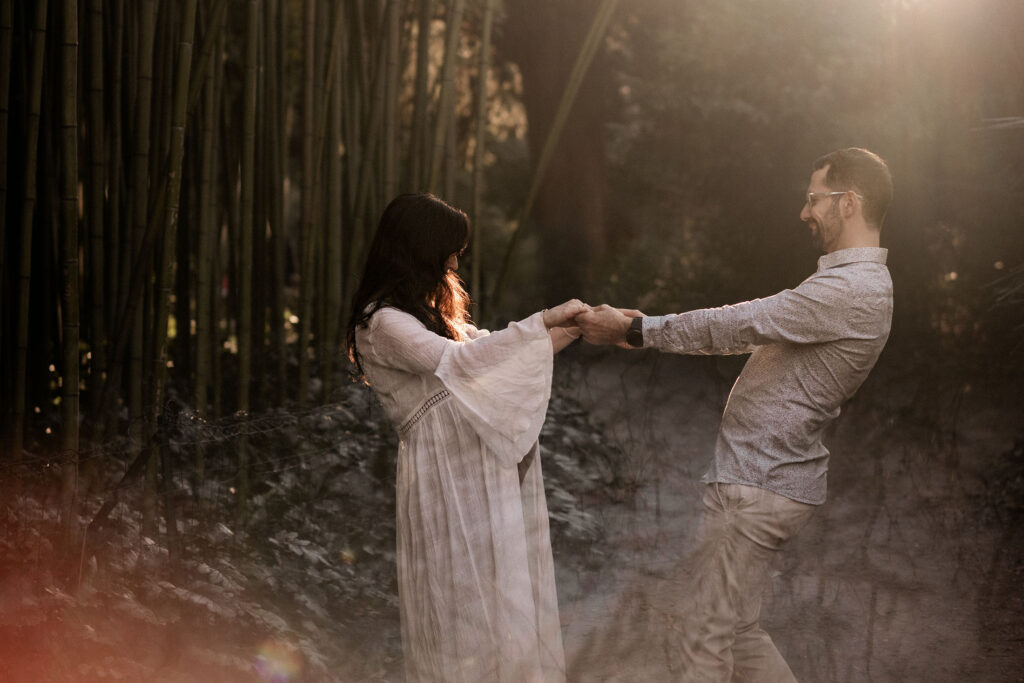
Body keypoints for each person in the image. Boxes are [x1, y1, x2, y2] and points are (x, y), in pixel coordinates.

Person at [576, 148, 894, 681]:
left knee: (701, 634)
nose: (804, 212)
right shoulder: (849, 286)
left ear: (849, 203)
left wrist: (634, 330)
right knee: (737, 631)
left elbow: (738, 325)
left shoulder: (853, 290)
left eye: (813, 199)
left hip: (758, 486)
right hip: (761, 481)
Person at [346, 193, 587, 682]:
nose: (455, 261)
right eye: (450, 249)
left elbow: (500, 351)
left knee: (500, 590)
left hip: (476, 466)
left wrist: (577, 327)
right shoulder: (384, 322)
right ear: (421, 249)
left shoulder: (431, 317)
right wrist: (544, 319)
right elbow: (461, 363)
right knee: (461, 596)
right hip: (444, 475)